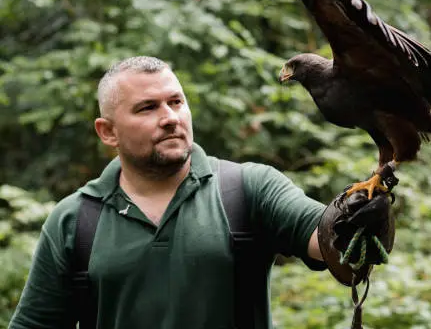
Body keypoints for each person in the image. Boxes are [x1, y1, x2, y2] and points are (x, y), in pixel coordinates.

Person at [8, 56, 330, 329]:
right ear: (108, 132)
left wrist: (368, 204)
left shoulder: (247, 188)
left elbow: (332, 240)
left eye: (176, 102)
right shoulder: (76, 220)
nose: (170, 118)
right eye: (147, 108)